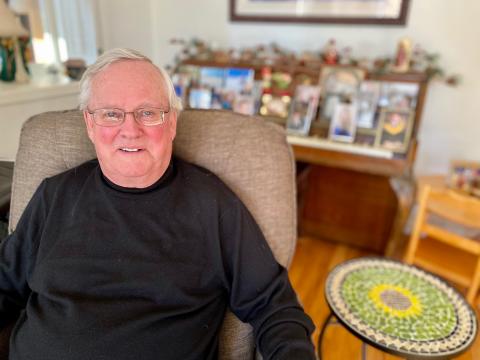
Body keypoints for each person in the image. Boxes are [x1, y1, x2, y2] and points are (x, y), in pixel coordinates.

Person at [0, 48, 315, 359]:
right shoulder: (54, 195)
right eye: (111, 113)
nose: (130, 130)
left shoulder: (212, 204)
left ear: (172, 122)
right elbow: (5, 285)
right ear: (90, 125)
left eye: (148, 112)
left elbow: (274, 306)